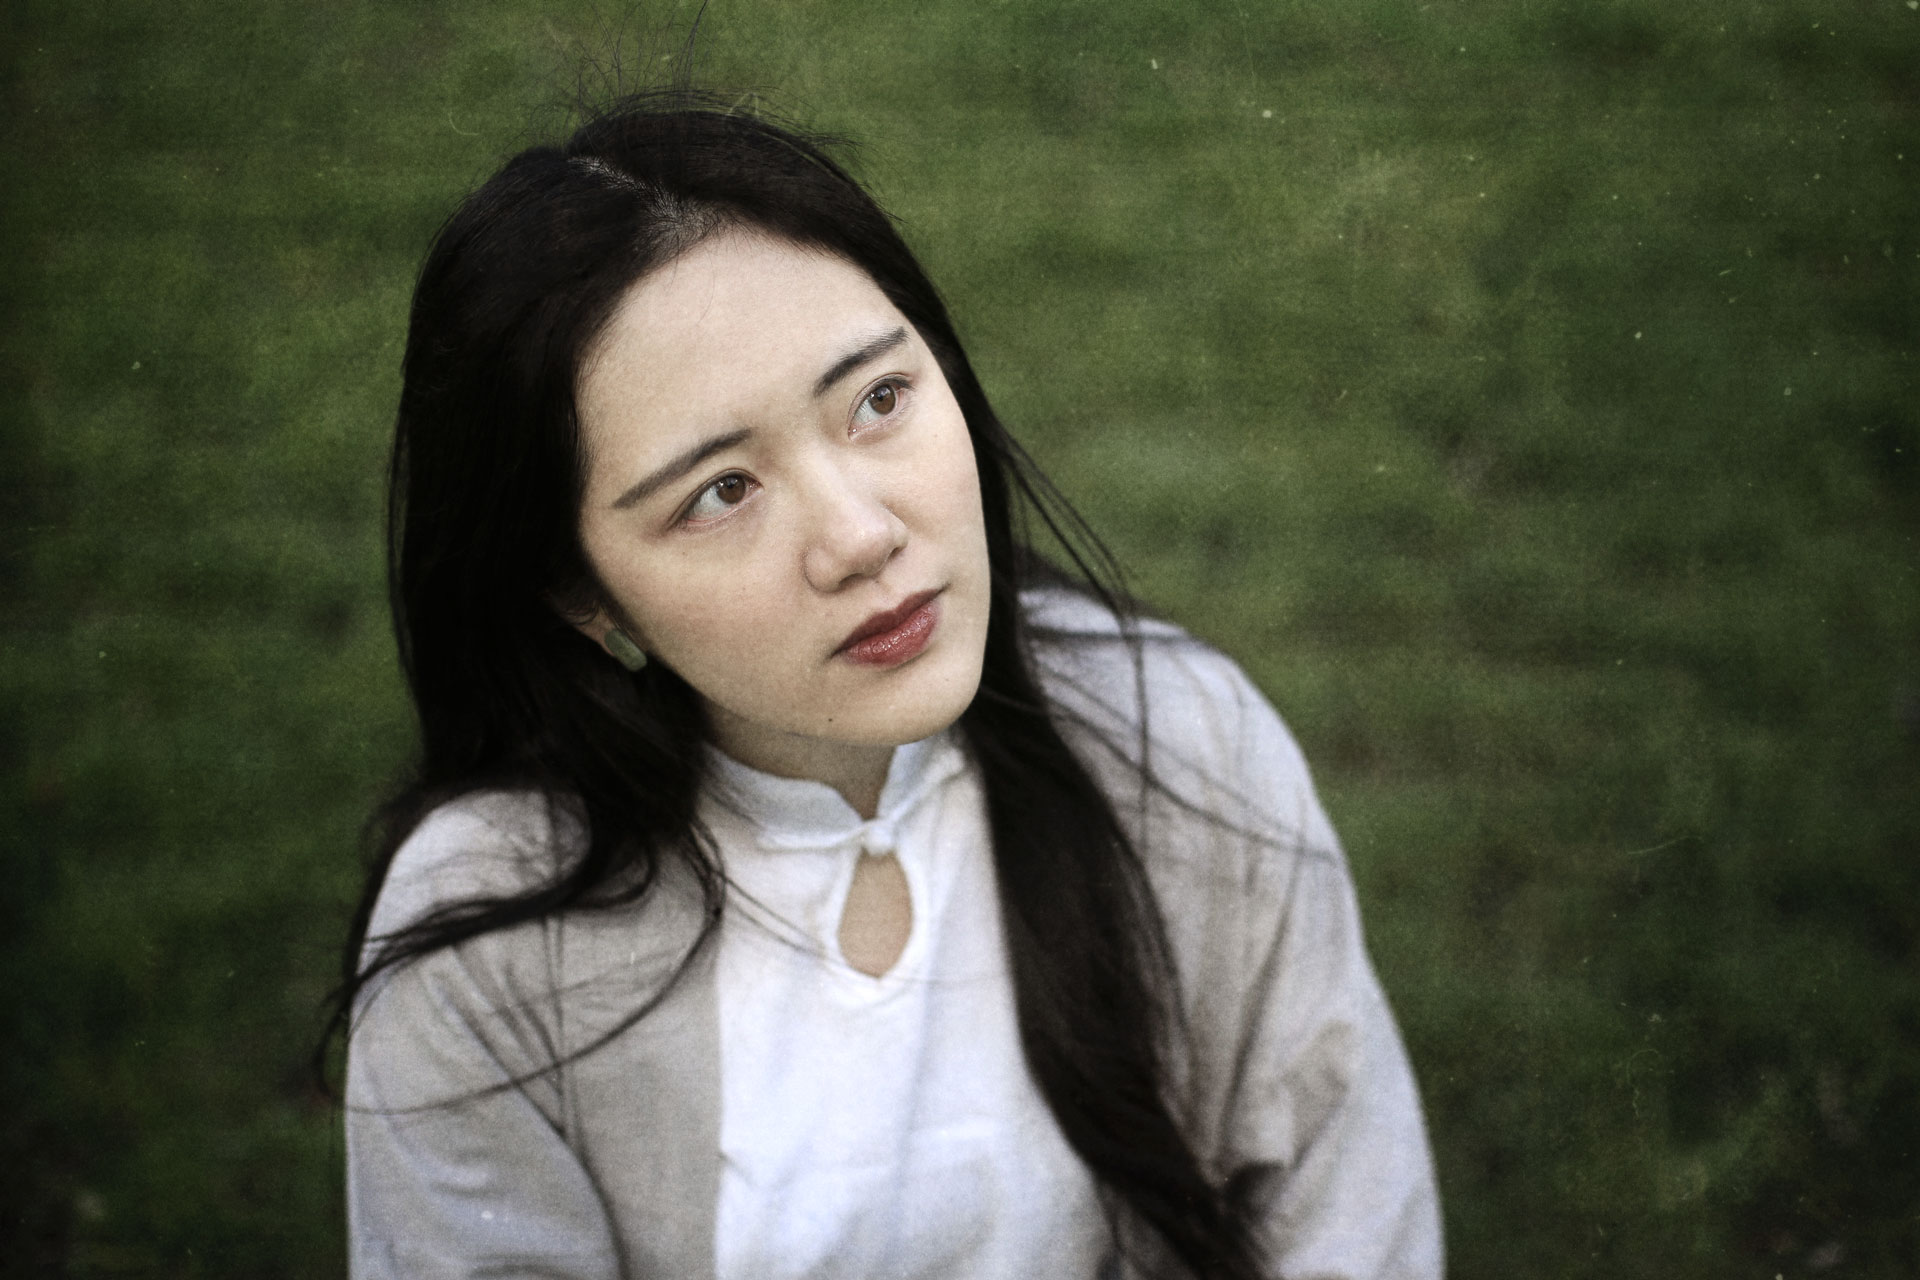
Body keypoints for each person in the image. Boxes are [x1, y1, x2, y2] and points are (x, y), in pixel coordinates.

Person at [332, 92, 1442, 1279]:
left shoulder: (1181, 744)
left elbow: (1350, 1231)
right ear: (580, 592)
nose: (860, 535)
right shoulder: (491, 938)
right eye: (721, 491)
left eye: (877, 399)